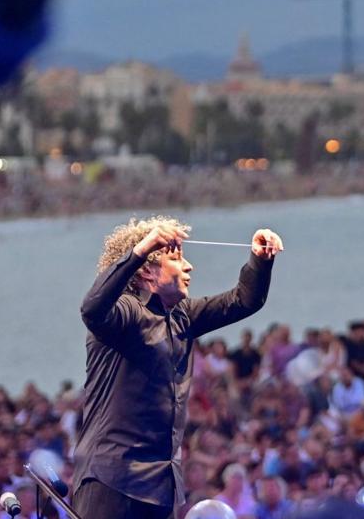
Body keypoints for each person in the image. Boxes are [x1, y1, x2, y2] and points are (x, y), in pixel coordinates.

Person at [72, 216, 283, 519]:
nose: (189, 267)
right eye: (176, 258)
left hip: (161, 484)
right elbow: (91, 309)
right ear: (147, 272)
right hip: (113, 478)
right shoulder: (126, 312)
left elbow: (243, 300)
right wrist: (140, 250)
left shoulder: (183, 315)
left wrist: (259, 261)